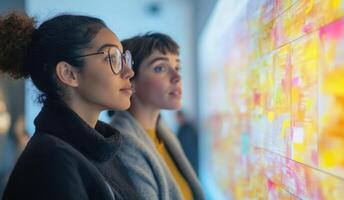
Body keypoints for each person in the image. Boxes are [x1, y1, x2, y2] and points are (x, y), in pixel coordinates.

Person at [0, 12, 138, 199]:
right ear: (68, 73)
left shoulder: (99, 150)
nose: (129, 71)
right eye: (112, 57)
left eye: (123, 58)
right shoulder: (51, 162)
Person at [110, 33, 205, 200]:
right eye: (160, 68)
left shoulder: (162, 132)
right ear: (129, 80)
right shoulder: (123, 145)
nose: (177, 77)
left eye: (177, 67)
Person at [176, 110, 199, 175]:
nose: (178, 120)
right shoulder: (180, 129)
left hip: (192, 158)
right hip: (185, 159)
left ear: (182, 117)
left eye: (179, 118)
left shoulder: (190, 128)